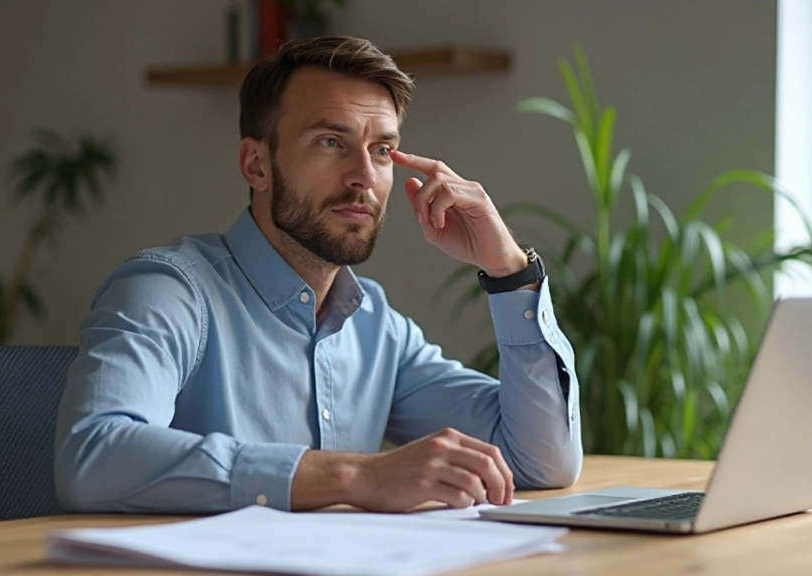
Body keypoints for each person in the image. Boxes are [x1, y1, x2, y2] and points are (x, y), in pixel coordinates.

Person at [54, 35, 581, 515]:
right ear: (256, 165)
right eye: (331, 141)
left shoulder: (375, 326)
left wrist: (509, 271)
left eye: (381, 151)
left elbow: (539, 463)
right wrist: (354, 475)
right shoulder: (166, 292)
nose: (363, 177)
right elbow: (92, 454)